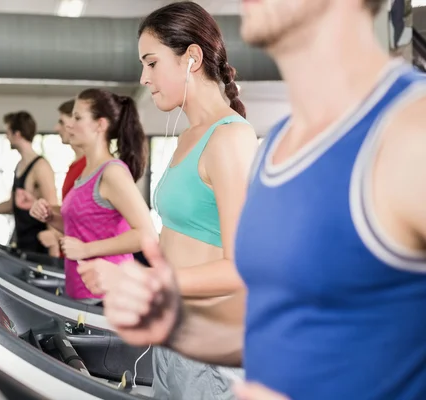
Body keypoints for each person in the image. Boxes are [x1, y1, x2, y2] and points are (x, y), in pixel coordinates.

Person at [102, 0, 426, 399]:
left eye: (152, 63)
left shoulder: (412, 131)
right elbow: (277, 306)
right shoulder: (281, 146)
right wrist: (171, 321)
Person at [76, 2, 258, 399]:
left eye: (152, 63)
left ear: (191, 58)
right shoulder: (189, 137)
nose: (144, 77)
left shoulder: (230, 138)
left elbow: (243, 267)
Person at [29, 89, 157, 301]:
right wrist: (50, 217)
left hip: (108, 297)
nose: (69, 124)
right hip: (83, 295)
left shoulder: (112, 172)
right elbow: (83, 229)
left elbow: (147, 236)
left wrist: (86, 249)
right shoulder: (86, 173)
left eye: (77, 117)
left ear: (100, 125)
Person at [0, 111, 58, 255]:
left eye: (7, 132)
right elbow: (12, 204)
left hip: (40, 248)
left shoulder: (41, 167)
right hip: (23, 244)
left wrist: (54, 250)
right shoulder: (20, 165)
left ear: (17, 134)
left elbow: (52, 207)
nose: (6, 137)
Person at [36, 99, 87, 257]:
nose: (56, 128)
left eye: (61, 122)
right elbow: (74, 214)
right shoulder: (75, 166)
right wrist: (47, 211)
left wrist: (56, 236)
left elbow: (93, 224)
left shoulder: (92, 168)